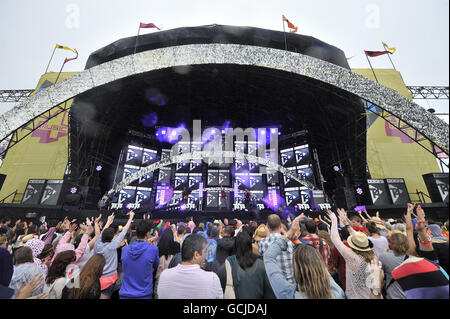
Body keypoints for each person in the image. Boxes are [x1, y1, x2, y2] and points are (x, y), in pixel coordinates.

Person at [263, 214, 345, 299]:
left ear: (296, 269)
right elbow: (321, 268)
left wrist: (289, 233)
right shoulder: (337, 293)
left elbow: (269, 257)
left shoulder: (289, 295)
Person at [327, 209, 376, 299]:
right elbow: (358, 238)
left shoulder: (352, 257)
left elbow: (335, 238)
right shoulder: (373, 255)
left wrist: (333, 219)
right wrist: (345, 222)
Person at [157, 234, 223, 299]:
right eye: (205, 252)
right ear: (196, 255)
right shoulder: (212, 279)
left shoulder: (164, 275)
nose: (205, 256)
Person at [217, 231, 275, 299]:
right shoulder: (261, 265)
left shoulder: (228, 265)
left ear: (235, 246)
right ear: (250, 246)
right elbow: (270, 294)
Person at [94, 211, 135, 299]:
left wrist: (109, 222)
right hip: (109, 280)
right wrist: (130, 218)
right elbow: (124, 231)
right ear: (111, 238)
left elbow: (102, 233)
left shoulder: (97, 244)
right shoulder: (112, 246)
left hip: (97, 278)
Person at [119, 219, 159, 299]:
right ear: (148, 233)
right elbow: (157, 265)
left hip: (125, 294)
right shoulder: (153, 249)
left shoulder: (125, 250)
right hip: (144, 295)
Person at [258, 214, 295, 286]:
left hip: (272, 286)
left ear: (267, 226)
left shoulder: (262, 243)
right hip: (289, 285)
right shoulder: (290, 243)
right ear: (281, 226)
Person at [378, 232, 409, 299]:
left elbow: (379, 277)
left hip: (393, 295)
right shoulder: (411, 257)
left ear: (391, 244)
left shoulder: (384, 256)